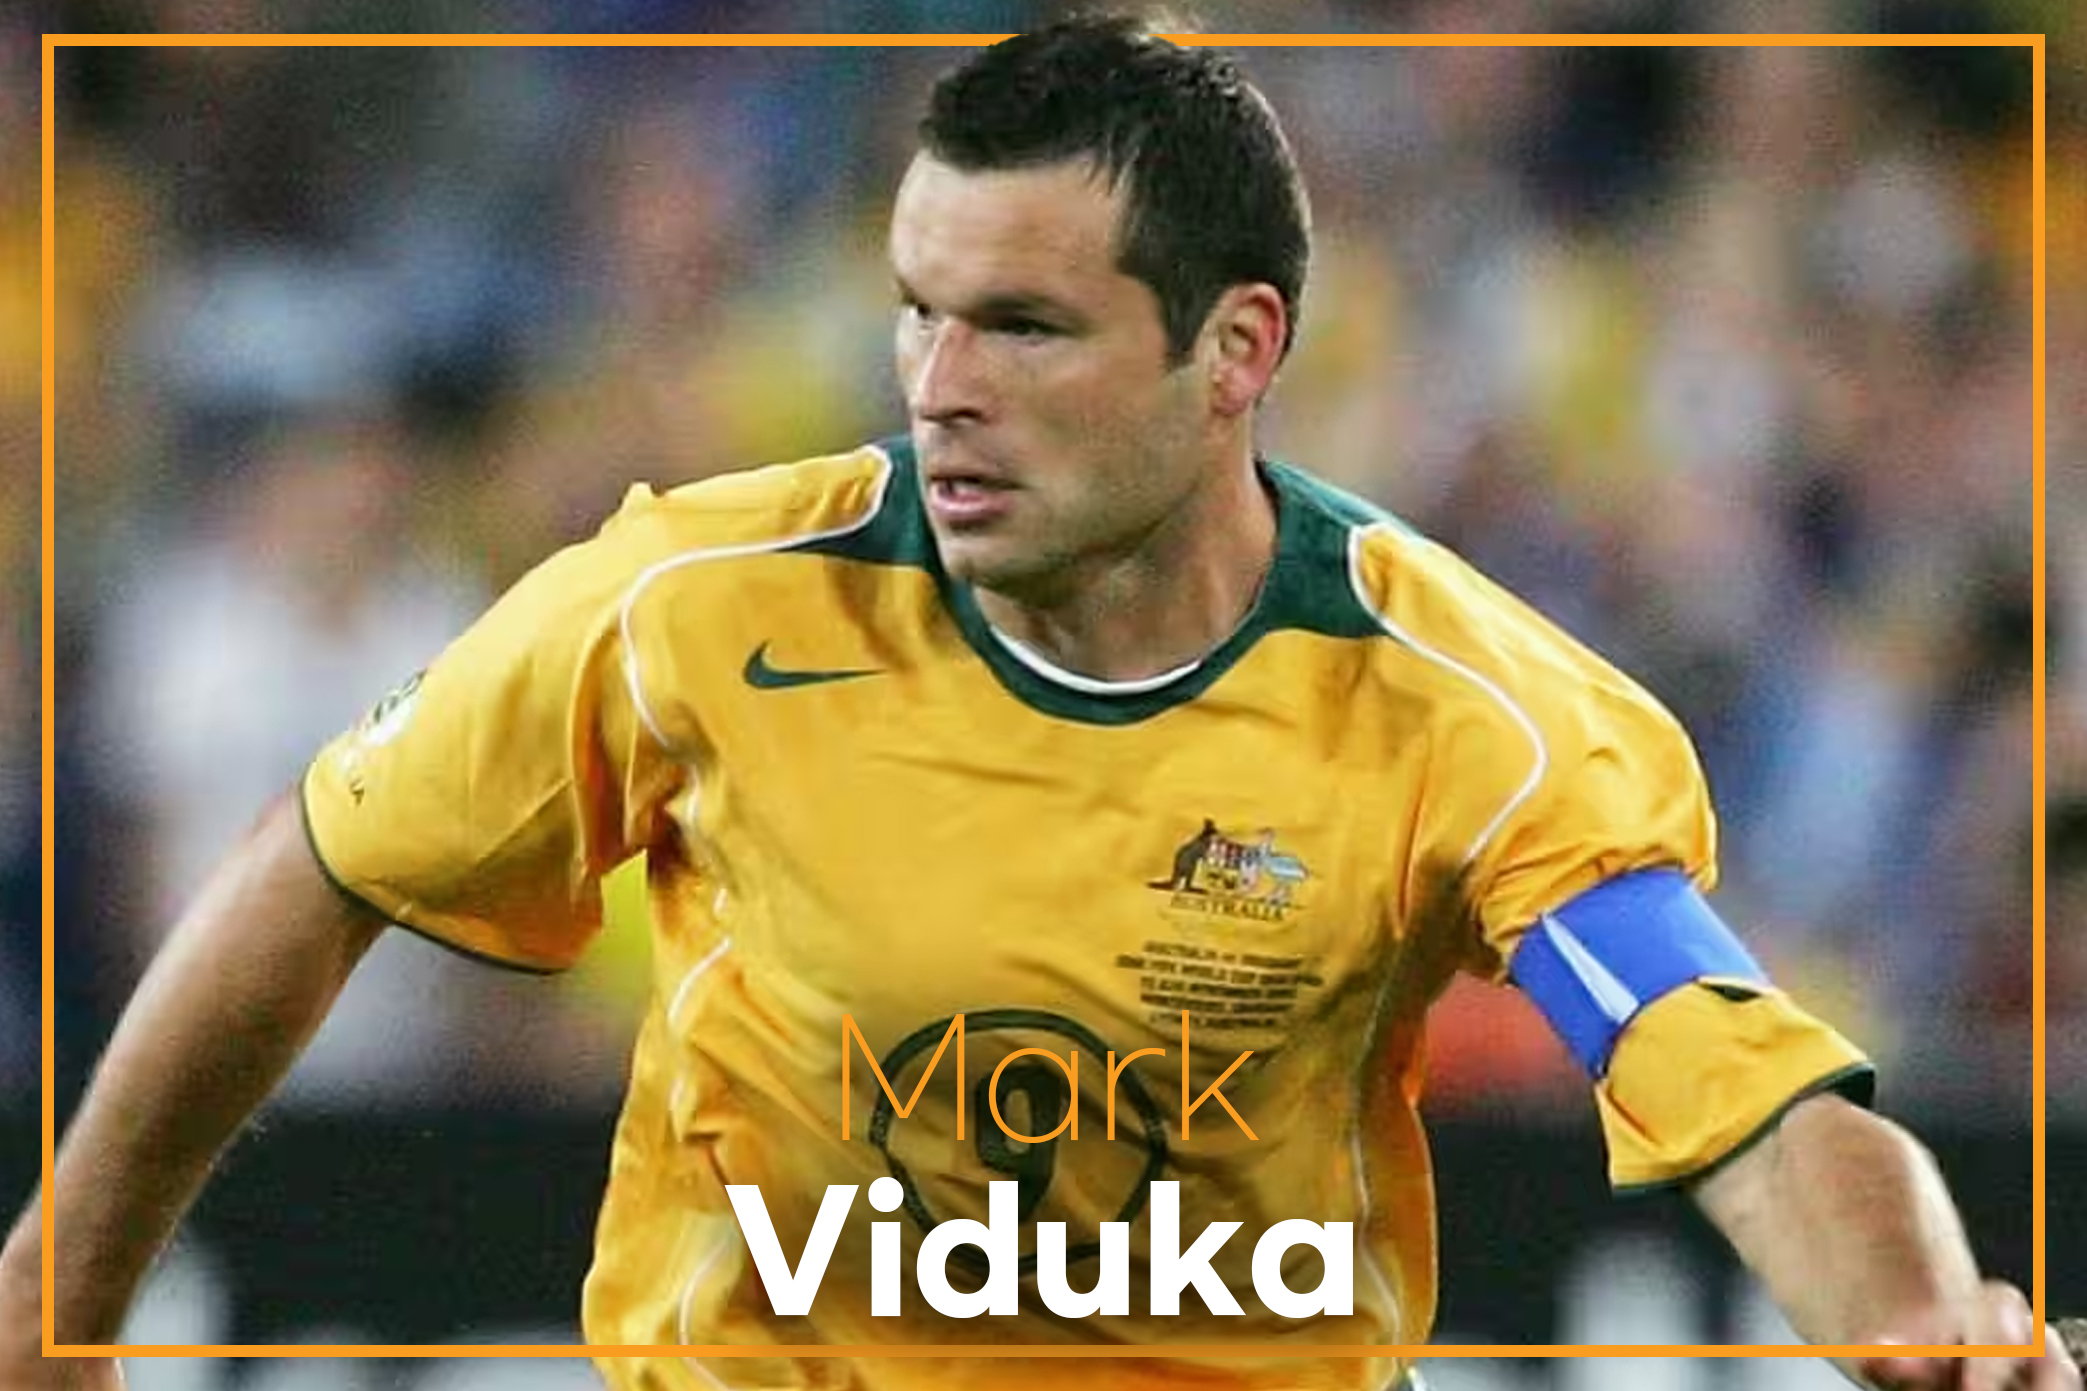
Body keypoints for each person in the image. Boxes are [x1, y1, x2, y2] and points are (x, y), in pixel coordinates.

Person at [2, 18, 2074, 1391]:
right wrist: (57, 1293)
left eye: (1023, 325)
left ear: (1235, 350)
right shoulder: (690, 607)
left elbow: (1737, 1084)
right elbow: (324, 864)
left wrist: (1926, 1318)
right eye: (918, 311)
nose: (939, 386)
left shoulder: (1469, 709)